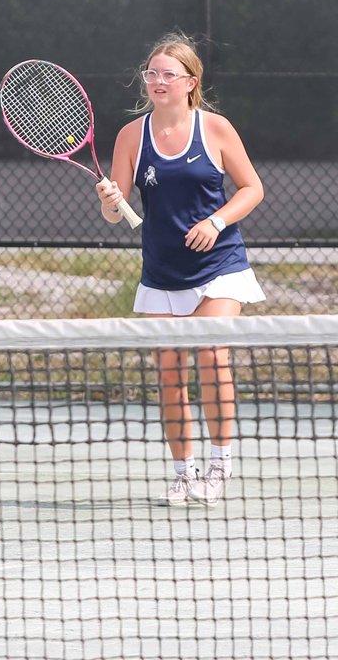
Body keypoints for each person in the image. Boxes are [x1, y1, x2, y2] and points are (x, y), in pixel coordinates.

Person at [95, 33, 265, 506]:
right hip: (161, 271)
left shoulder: (215, 129)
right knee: (169, 372)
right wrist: (110, 203)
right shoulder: (132, 136)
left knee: (212, 356)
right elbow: (119, 212)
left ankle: (219, 466)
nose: (156, 81)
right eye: (151, 73)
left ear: (190, 82)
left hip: (219, 265)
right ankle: (183, 474)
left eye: (167, 74)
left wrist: (216, 220)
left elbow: (252, 189)